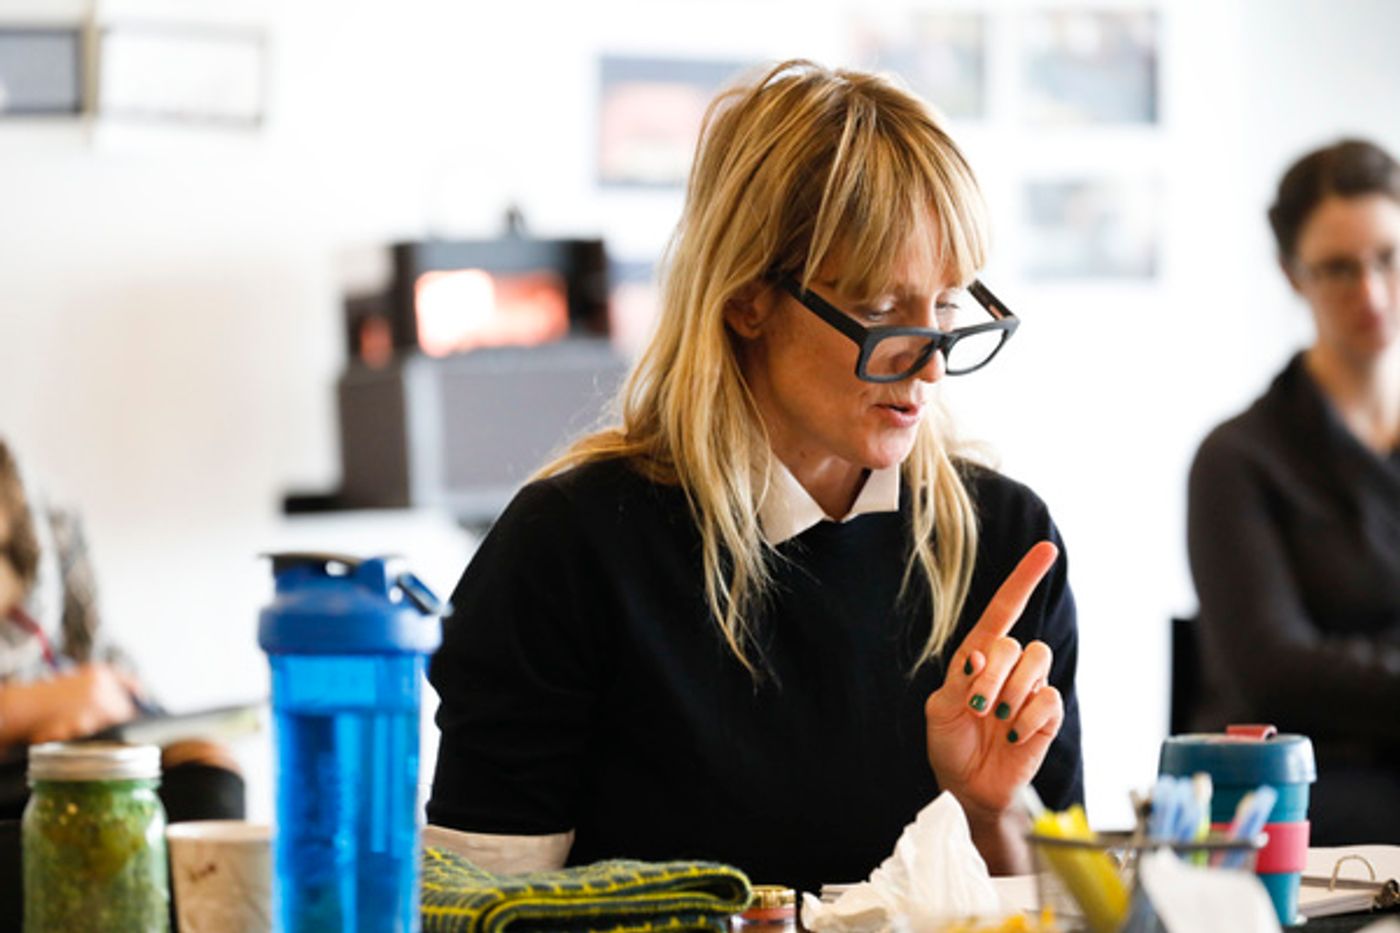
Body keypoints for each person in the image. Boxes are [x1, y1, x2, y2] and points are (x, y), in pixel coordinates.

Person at [427, 60, 1083, 889]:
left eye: (947, 307)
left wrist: (991, 816)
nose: (930, 367)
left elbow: (1066, 909)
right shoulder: (571, 547)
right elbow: (477, 909)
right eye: (881, 311)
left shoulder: (1005, 546)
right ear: (747, 297)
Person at [1187, 138, 1400, 845]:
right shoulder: (1238, 458)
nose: (1369, 292)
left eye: (1387, 258)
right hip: (1304, 793)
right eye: (1338, 268)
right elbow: (1276, 668)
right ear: (1292, 274)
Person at [0, 437, 245, 822]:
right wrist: (38, 704)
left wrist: (111, 699)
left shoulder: (31, 494)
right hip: (22, 750)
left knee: (206, 767)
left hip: (59, 736)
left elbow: (91, 645)